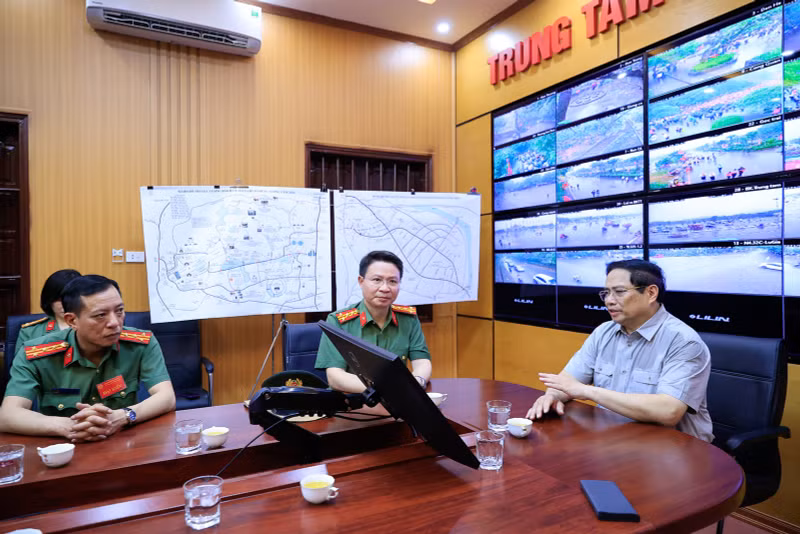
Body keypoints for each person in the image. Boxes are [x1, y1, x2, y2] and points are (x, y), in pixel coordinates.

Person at [525, 259, 713, 442]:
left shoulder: (684, 341)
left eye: (619, 292)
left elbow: (669, 411)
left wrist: (588, 392)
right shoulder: (603, 332)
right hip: (615, 439)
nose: (609, 301)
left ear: (651, 293)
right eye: (606, 293)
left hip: (676, 450)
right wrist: (551, 396)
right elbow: (566, 382)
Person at [0, 275, 176, 441]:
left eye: (119, 311)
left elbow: (166, 397)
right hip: (63, 447)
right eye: (101, 315)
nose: (115, 322)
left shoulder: (141, 343)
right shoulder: (36, 353)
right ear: (72, 321)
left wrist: (121, 417)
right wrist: (70, 426)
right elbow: (8, 415)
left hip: (123, 442)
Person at [315, 251, 432, 405]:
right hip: (355, 404)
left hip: (399, 403)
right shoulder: (339, 321)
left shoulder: (408, 319)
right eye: (377, 280)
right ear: (361, 281)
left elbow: (422, 361)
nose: (385, 288)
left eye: (392, 281)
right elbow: (335, 377)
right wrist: (388, 388)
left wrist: (417, 382)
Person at [16, 269, 82, 348]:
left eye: (70, 299)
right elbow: (20, 360)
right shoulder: (31, 332)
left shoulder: (93, 326)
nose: (65, 304)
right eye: (59, 300)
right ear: (49, 300)